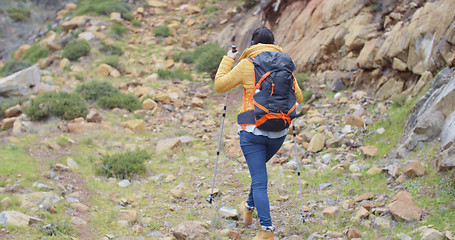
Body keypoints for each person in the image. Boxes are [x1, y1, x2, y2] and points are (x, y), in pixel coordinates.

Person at [214, 27, 304, 240]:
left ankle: (267, 230)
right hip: (279, 131)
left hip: (252, 131)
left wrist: (229, 59)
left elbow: (220, 85)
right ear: (273, 43)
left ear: (253, 44)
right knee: (258, 174)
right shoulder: (285, 64)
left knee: (259, 179)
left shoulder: (247, 64)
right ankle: (247, 208)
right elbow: (298, 97)